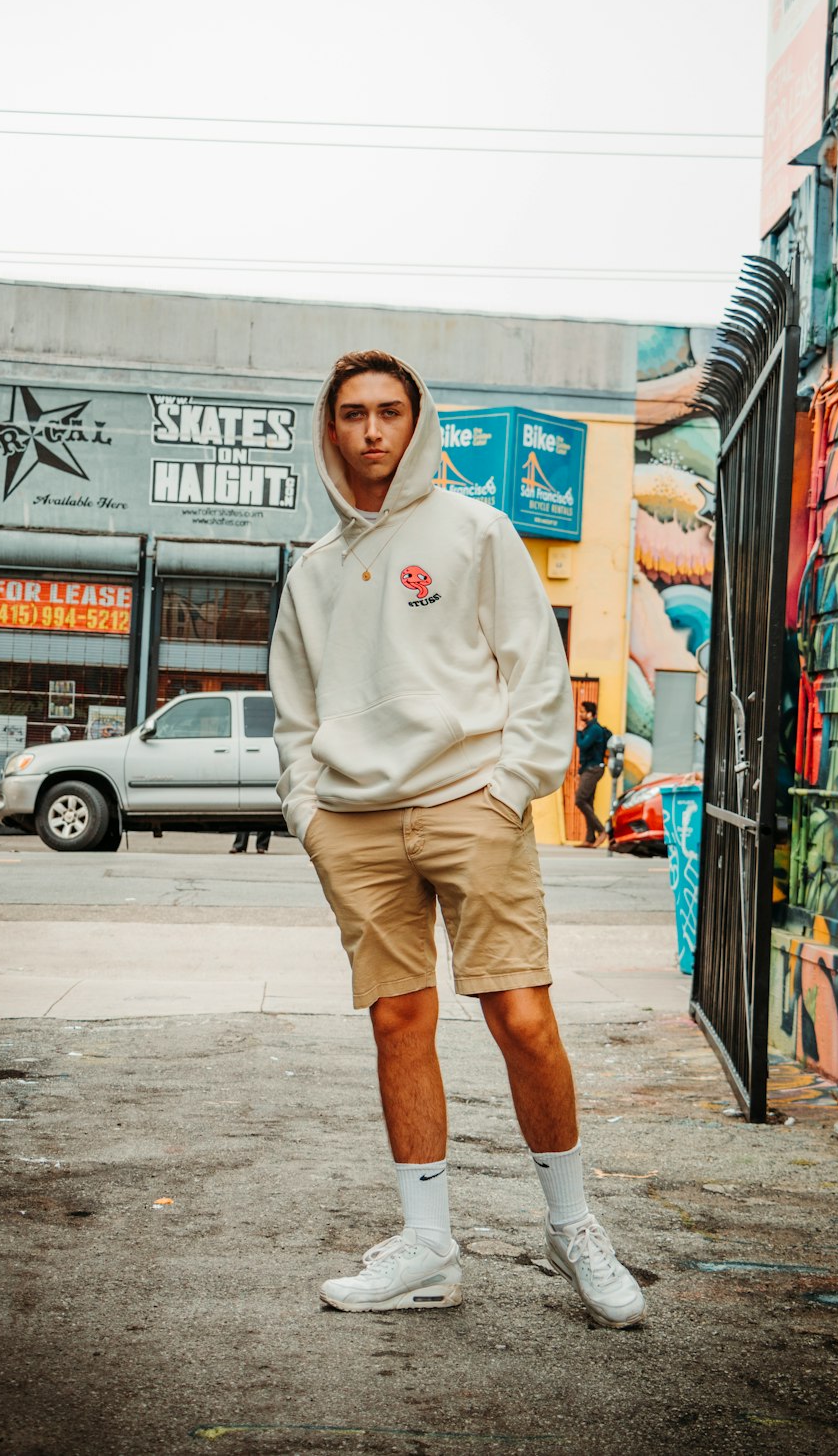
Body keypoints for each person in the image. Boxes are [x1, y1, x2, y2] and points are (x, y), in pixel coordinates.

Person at [269, 349, 645, 1327]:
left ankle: (573, 1229)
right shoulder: (311, 573)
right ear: (331, 427)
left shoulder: (475, 531)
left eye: (390, 411)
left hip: (467, 805)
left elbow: (538, 672)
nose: (372, 431)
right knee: (401, 1022)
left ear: (417, 420)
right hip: (353, 822)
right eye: (353, 414)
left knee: (521, 1016)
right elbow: (294, 716)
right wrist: (309, 816)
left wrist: (507, 790)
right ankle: (428, 1250)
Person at [574, 701, 612, 848]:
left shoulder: (594, 729)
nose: (580, 714)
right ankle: (590, 838)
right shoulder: (590, 729)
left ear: (590, 713)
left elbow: (583, 745)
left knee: (580, 800)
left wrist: (578, 732)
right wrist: (579, 772)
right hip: (588, 768)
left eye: (583, 711)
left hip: (594, 769)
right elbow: (585, 754)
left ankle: (602, 830)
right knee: (587, 802)